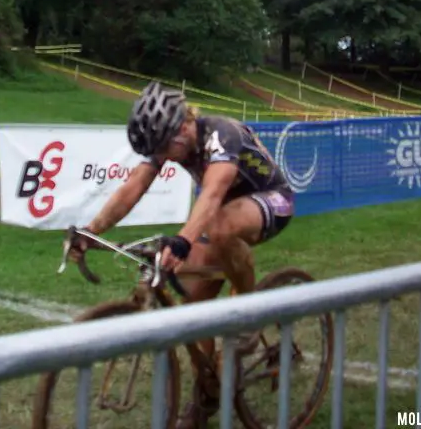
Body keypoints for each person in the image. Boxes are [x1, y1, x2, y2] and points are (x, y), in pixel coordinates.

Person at [68, 80, 295, 428]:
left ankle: (249, 313)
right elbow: (133, 187)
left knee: (217, 227)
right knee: (193, 308)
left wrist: (184, 240)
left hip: (271, 201)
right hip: (222, 212)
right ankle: (206, 396)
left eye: (163, 146)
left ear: (183, 126)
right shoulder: (171, 143)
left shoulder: (221, 133)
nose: (162, 155)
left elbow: (214, 192)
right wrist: (91, 231)